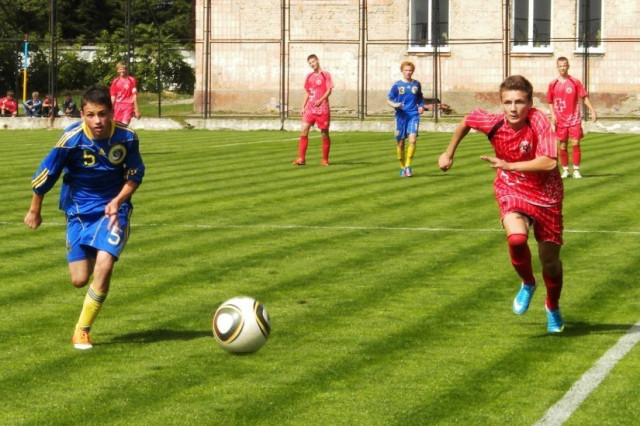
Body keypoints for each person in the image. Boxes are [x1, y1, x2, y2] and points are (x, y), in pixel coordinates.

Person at [438, 75, 565, 333]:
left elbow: (550, 162)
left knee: (550, 262)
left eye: (519, 102)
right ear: (501, 103)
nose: (513, 108)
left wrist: (510, 164)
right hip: (511, 187)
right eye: (507, 102)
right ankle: (528, 283)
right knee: (516, 239)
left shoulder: (538, 120)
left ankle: (552, 306)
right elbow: (466, 120)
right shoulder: (494, 122)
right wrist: (448, 152)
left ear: (530, 103)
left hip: (547, 193)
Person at [24, 86, 145, 349]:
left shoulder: (126, 137)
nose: (97, 121)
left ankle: (82, 330)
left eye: (102, 114)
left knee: (105, 264)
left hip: (113, 211)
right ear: (82, 114)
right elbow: (47, 173)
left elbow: (135, 175)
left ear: (111, 112)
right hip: (78, 212)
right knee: (79, 279)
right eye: (91, 115)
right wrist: (35, 209)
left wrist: (117, 201)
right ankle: (92, 248)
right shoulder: (71, 138)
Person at [547, 57, 597, 179]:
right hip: (560, 119)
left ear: (568, 66)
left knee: (575, 142)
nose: (562, 68)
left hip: (574, 118)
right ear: (557, 67)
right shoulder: (553, 84)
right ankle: (565, 170)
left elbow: (584, 97)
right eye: (560, 66)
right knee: (563, 145)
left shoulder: (575, 82)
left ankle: (576, 170)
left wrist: (592, 110)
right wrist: (552, 114)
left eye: (564, 65)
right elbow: (550, 101)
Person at [293, 54, 334, 166]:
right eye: (310, 63)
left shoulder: (326, 75)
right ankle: (302, 159)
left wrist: (321, 100)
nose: (312, 64)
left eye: (313, 61)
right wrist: (303, 106)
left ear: (318, 61)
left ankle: (325, 159)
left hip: (323, 108)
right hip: (310, 108)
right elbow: (307, 92)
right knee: (304, 131)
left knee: (324, 134)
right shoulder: (309, 76)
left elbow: (329, 90)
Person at [386, 61, 425, 177]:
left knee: (412, 140)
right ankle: (402, 167)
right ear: (402, 71)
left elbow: (420, 97)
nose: (408, 72)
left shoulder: (416, 84)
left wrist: (421, 106)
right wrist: (395, 105)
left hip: (413, 115)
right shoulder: (397, 85)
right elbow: (389, 99)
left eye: (410, 70)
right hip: (401, 116)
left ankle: (408, 167)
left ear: (413, 71)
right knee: (401, 143)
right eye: (406, 70)